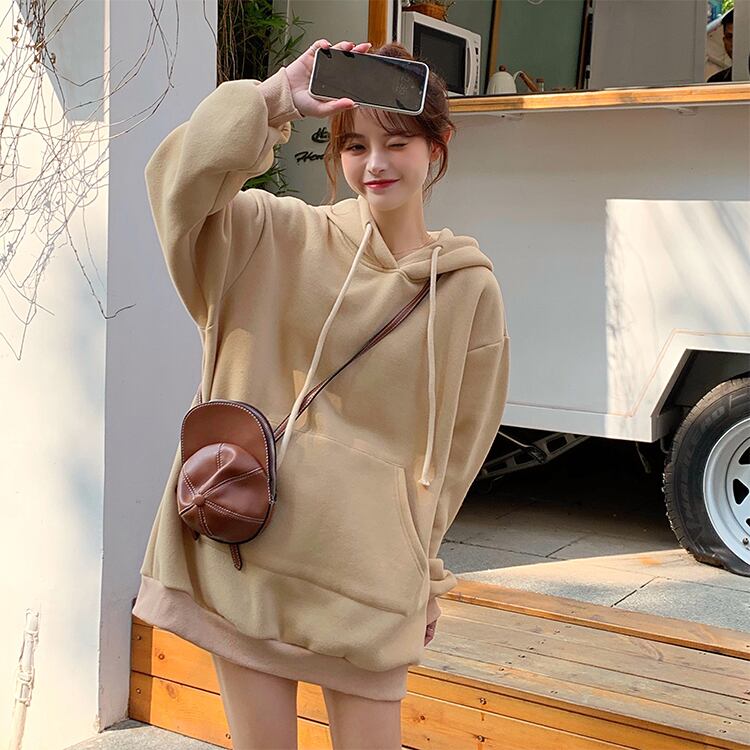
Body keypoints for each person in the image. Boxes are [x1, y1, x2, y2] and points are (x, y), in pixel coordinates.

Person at [133, 36, 510, 749]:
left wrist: (426, 575)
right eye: (355, 145)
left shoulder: (468, 292)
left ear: (437, 148)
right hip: (252, 560)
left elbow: (457, 456)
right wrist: (275, 97)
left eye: (397, 142)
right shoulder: (270, 235)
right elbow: (176, 183)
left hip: (370, 581)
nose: (375, 163)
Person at [708, 9, 734, 82]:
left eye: (741, 37)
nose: (734, 43)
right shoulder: (716, 81)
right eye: (729, 37)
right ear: (724, 40)